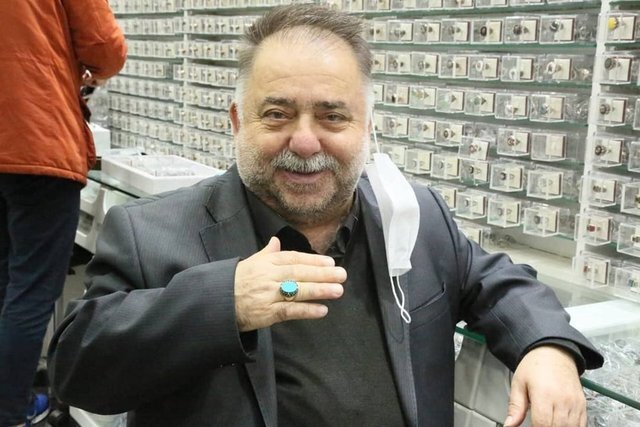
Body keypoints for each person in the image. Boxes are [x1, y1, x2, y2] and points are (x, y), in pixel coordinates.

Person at [48, 4, 602, 426]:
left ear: (367, 128)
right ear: (237, 122)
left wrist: (547, 347)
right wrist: (225, 303)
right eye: (277, 114)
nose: (306, 142)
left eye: (333, 117)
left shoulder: (416, 218)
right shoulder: (152, 232)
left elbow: (499, 282)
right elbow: (79, 371)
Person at [0, 1, 126, 426]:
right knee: (32, 288)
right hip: (34, 136)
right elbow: (105, 46)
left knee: (7, 283)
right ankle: (10, 412)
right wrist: (88, 68)